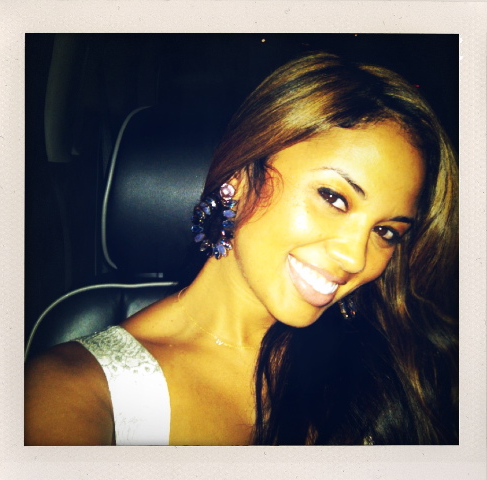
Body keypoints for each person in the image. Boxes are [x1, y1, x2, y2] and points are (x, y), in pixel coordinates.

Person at [25, 51, 458, 446]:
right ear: (238, 177)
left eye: (386, 232)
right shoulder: (74, 391)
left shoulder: (404, 363)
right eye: (333, 197)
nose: (355, 259)